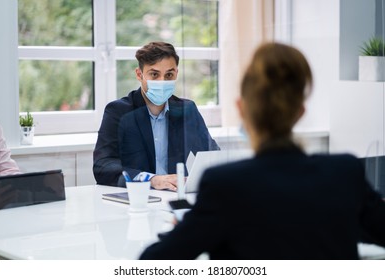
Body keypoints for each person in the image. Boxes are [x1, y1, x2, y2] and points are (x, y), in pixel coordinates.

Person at [139, 42, 385, 259]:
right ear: (300, 111)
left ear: (242, 108)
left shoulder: (224, 185)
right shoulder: (345, 172)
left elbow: (152, 264)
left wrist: (185, 230)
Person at [93, 42, 219, 190]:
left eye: (169, 75)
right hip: (137, 197)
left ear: (176, 74)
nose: (162, 81)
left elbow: (211, 156)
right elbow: (102, 166)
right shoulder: (118, 111)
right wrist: (151, 179)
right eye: (154, 74)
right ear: (139, 75)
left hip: (175, 195)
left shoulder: (187, 110)